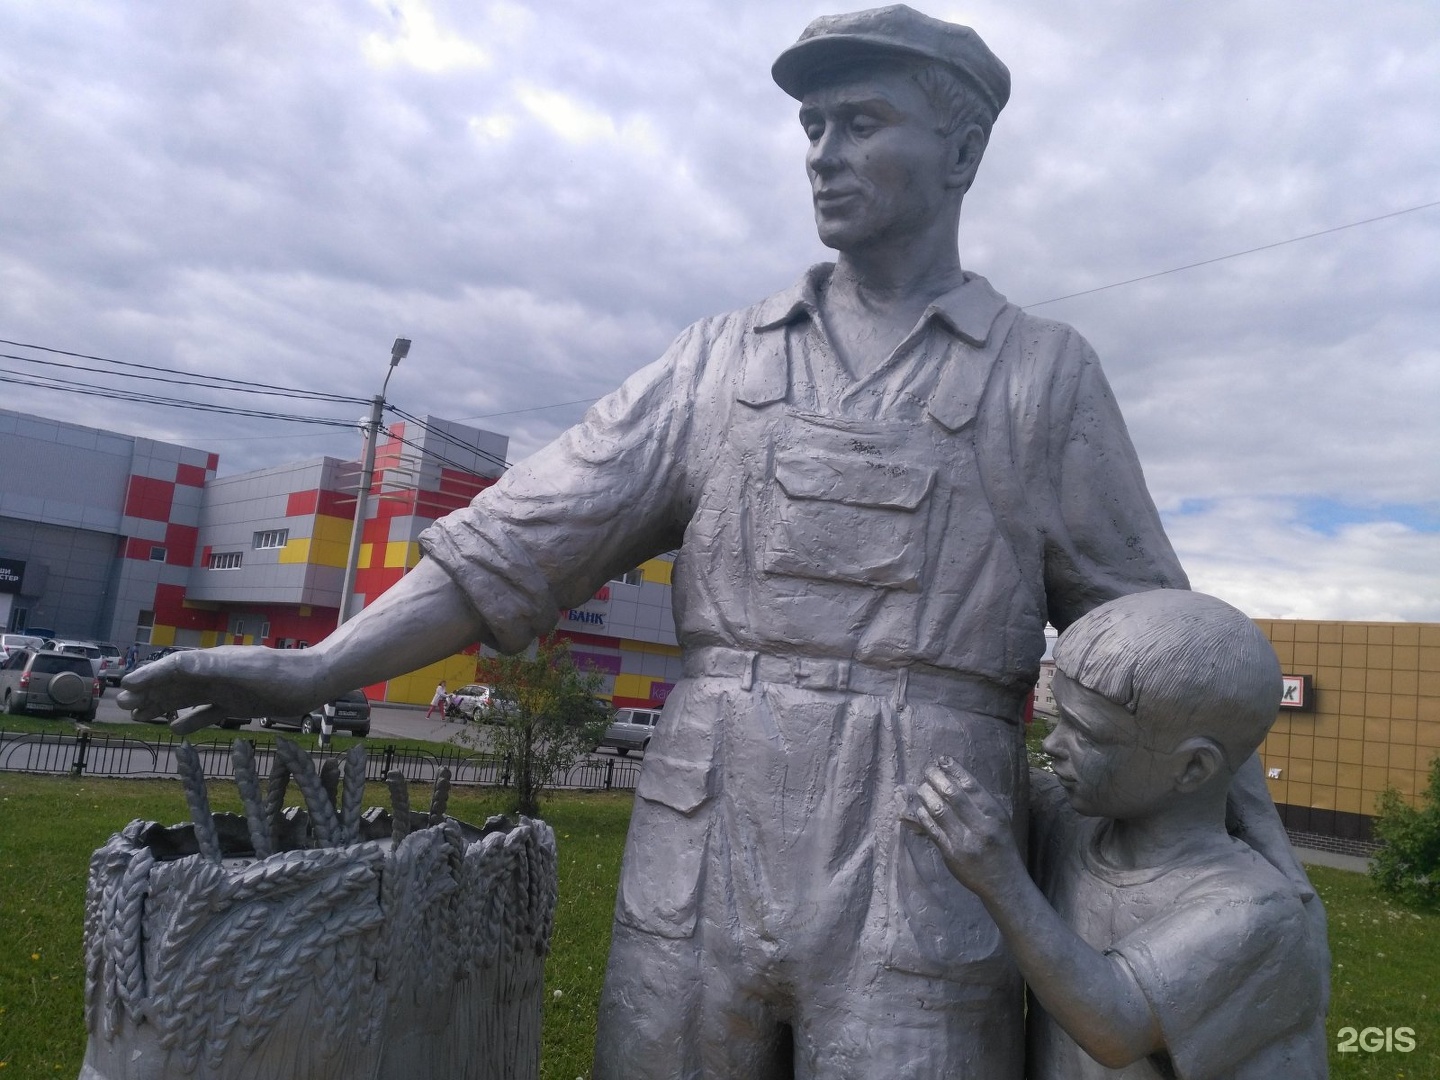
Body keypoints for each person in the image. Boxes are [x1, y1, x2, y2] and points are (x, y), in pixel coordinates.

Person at [119, 7, 1302, 1076]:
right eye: (813, 124)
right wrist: (318, 668)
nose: (823, 154)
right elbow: (520, 537)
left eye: (862, 121)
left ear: (961, 153)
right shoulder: (720, 362)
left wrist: (1257, 862)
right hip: (707, 826)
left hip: (928, 845)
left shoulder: (1044, 380)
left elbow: (1165, 650)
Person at [907, 590, 1329, 1078]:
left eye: (1087, 735)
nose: (1054, 744)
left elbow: (1117, 1024)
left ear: (1193, 767)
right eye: (1057, 716)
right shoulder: (1070, 824)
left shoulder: (1256, 912)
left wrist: (1001, 880)